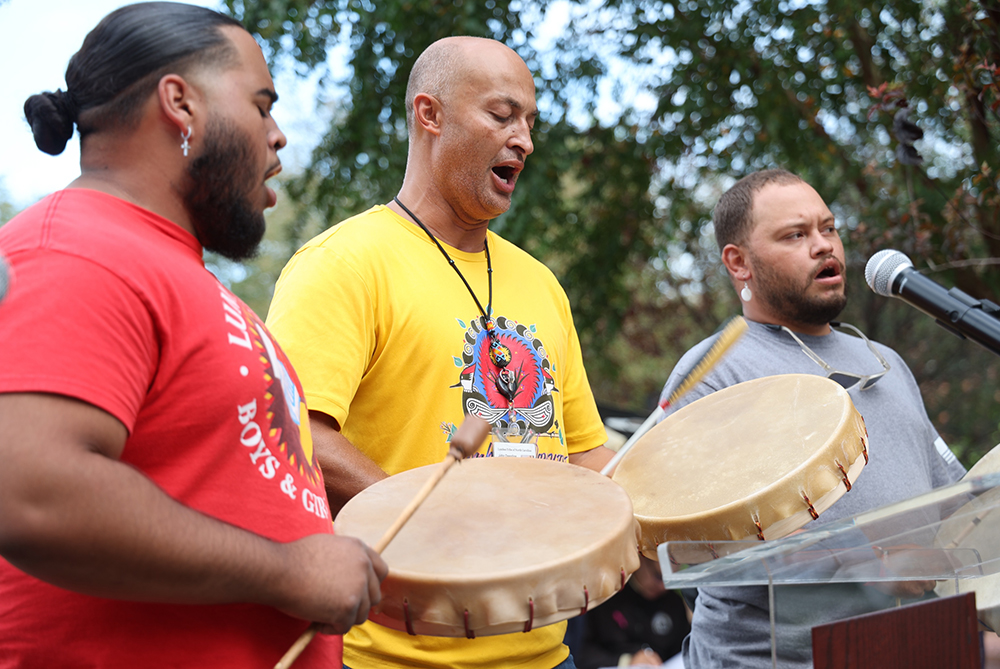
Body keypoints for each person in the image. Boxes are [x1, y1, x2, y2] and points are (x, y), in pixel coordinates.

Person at [0, 4, 387, 667]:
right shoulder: (78, 247)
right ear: (180, 103)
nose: (278, 134)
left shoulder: (183, 276)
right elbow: (32, 492)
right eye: (262, 104)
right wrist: (287, 570)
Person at [266, 36, 614, 669]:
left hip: (547, 653)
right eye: (502, 115)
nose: (526, 141)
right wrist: (439, 518)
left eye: (530, 123)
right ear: (430, 114)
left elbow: (588, 453)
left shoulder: (542, 284)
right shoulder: (343, 264)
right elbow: (298, 436)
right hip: (390, 655)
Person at [657, 168, 966, 668]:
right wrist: (867, 564)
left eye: (829, 228)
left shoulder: (885, 360)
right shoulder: (713, 372)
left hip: (912, 647)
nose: (824, 246)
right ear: (739, 263)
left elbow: (950, 504)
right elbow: (692, 543)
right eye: (796, 235)